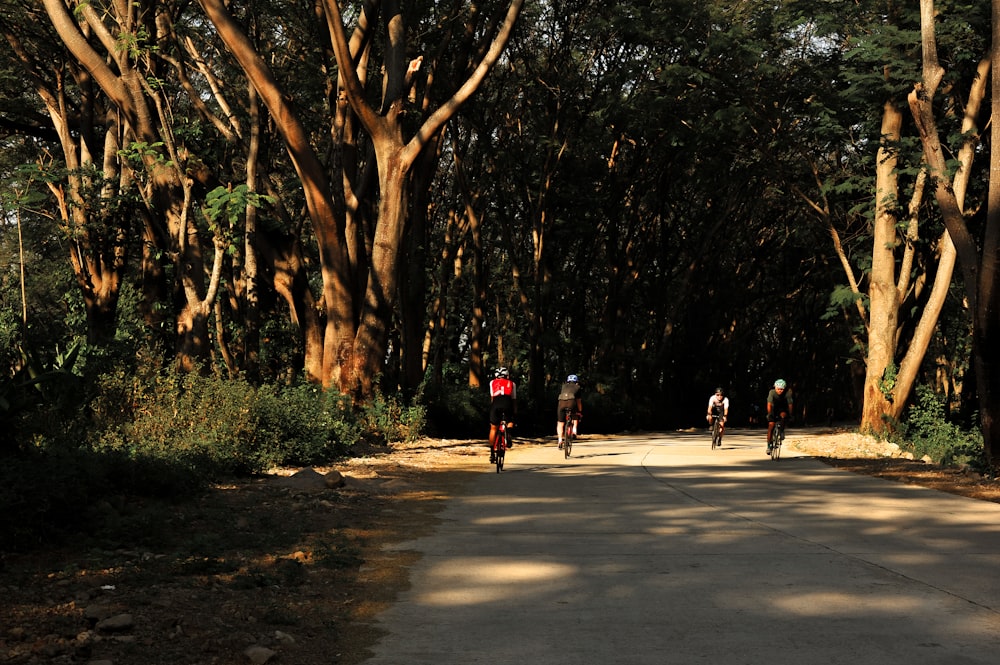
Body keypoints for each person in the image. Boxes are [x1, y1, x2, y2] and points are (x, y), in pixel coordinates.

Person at [488, 367, 517, 463]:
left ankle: (492, 453)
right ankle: (508, 434)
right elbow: (514, 399)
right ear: (507, 375)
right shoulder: (512, 383)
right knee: (511, 421)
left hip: (496, 404)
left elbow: (492, 398)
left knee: (493, 428)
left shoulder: (492, 383)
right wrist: (515, 412)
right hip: (507, 403)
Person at [556, 374, 583, 449]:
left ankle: (560, 440)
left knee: (560, 422)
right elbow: (578, 402)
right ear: (576, 382)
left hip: (561, 403)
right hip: (572, 403)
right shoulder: (577, 387)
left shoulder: (563, 386)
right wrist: (580, 411)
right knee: (575, 414)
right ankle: (574, 430)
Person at [766, 379, 793, 454]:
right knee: (771, 425)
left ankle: (781, 431)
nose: (780, 391)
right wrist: (769, 414)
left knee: (783, 415)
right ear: (775, 388)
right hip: (774, 408)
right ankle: (769, 445)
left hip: (783, 408)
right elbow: (769, 404)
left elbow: (790, 405)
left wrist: (790, 414)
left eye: (781, 389)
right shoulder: (772, 392)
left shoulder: (787, 393)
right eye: (778, 389)